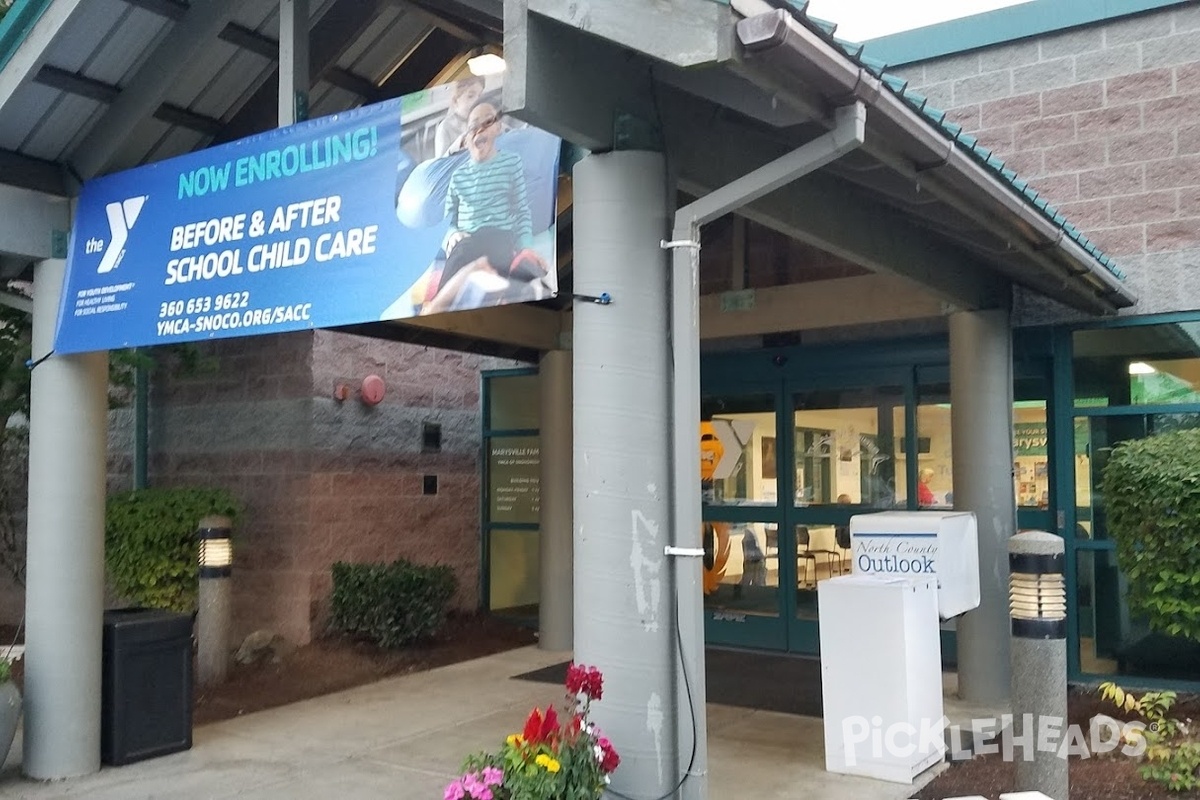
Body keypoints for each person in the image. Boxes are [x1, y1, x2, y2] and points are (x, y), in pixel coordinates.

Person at [421, 100, 548, 314]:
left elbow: (521, 209)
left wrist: (525, 245)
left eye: (487, 122)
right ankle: (438, 309)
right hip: (467, 238)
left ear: (498, 128)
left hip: (499, 234)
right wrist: (451, 235)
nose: (479, 128)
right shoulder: (459, 176)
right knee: (461, 250)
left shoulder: (511, 163)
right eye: (473, 125)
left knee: (499, 256)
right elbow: (447, 221)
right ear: (466, 137)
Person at [433, 75, 485, 158]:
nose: (476, 100)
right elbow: (440, 164)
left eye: (479, 96)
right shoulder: (445, 127)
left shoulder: (483, 120)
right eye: (470, 96)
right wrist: (458, 144)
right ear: (456, 99)